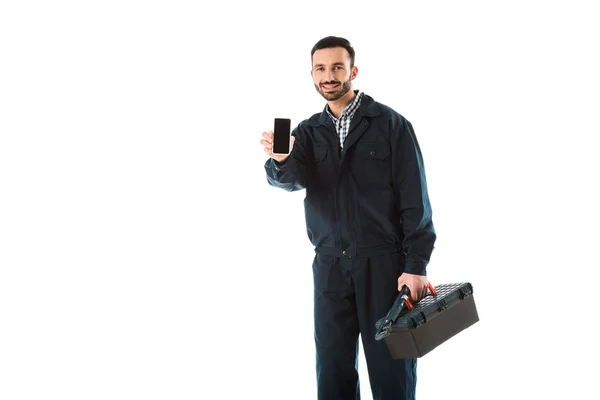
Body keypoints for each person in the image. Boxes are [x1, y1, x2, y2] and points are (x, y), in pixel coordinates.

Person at [260, 36, 436, 400]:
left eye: (337, 67)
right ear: (311, 74)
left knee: (393, 371)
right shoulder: (307, 133)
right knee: (332, 370)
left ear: (352, 71)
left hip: (384, 267)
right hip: (330, 268)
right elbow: (291, 181)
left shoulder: (391, 125)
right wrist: (281, 160)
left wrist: (415, 266)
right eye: (321, 69)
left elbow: (415, 202)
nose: (329, 76)